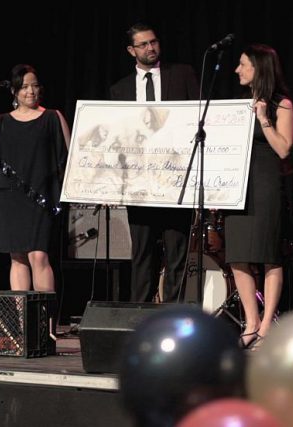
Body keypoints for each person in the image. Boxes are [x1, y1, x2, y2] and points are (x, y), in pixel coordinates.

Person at [110, 22, 198, 303]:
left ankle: (173, 315)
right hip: (139, 185)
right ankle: (139, 314)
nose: (150, 48)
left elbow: (197, 119)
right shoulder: (119, 90)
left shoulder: (183, 75)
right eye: (143, 44)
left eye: (154, 42)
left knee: (177, 253)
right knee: (142, 255)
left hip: (175, 181)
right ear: (130, 50)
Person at [225, 44, 293, 348]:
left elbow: (283, 149)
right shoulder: (239, 105)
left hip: (266, 183)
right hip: (238, 185)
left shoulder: (283, 104)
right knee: (237, 255)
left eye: (243, 65)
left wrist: (264, 117)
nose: (237, 70)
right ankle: (251, 322)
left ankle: (268, 324)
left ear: (259, 68)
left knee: (268, 255)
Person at [0, 64, 69, 291]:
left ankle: (46, 324)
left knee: (39, 256)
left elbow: (68, 158)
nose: (30, 91)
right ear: (14, 91)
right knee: (17, 258)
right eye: (24, 87)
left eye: (34, 86)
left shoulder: (52, 117)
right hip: (10, 198)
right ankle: (22, 323)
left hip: (43, 195)